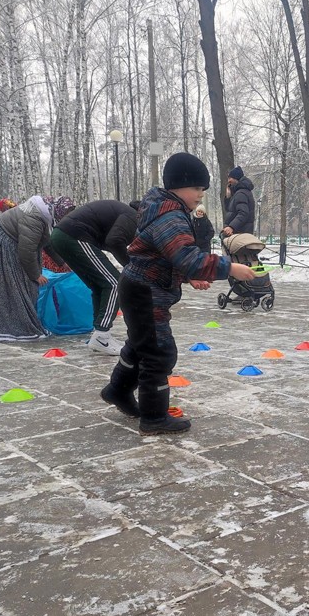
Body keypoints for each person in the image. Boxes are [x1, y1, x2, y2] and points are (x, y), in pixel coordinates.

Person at [100, 152, 256, 436]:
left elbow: (167, 256)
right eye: (196, 188)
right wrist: (230, 267)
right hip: (146, 292)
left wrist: (188, 276)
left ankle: (117, 390)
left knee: (141, 345)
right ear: (177, 185)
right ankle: (154, 417)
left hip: (141, 288)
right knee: (159, 353)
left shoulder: (163, 208)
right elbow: (187, 256)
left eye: (203, 189)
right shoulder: (170, 216)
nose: (200, 195)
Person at [0, 195, 75, 342]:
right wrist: (35, 275)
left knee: (18, 284)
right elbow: (27, 251)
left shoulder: (45, 215)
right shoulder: (34, 219)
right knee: (11, 286)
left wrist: (62, 262)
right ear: (58, 210)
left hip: (10, 241)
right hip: (0, 243)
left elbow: (46, 243)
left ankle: (8, 321)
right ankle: (5, 326)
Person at [49, 200, 138, 355]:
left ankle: (100, 335)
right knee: (115, 283)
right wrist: (131, 266)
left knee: (100, 285)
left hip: (63, 236)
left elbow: (112, 240)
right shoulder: (134, 217)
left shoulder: (128, 214)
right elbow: (115, 241)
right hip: (73, 236)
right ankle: (101, 336)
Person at [221, 166, 255, 237]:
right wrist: (228, 197)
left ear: (236, 178)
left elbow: (243, 213)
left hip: (239, 234)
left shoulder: (241, 193)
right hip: (239, 233)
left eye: (230, 178)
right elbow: (231, 211)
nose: (228, 181)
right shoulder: (238, 193)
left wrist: (231, 227)